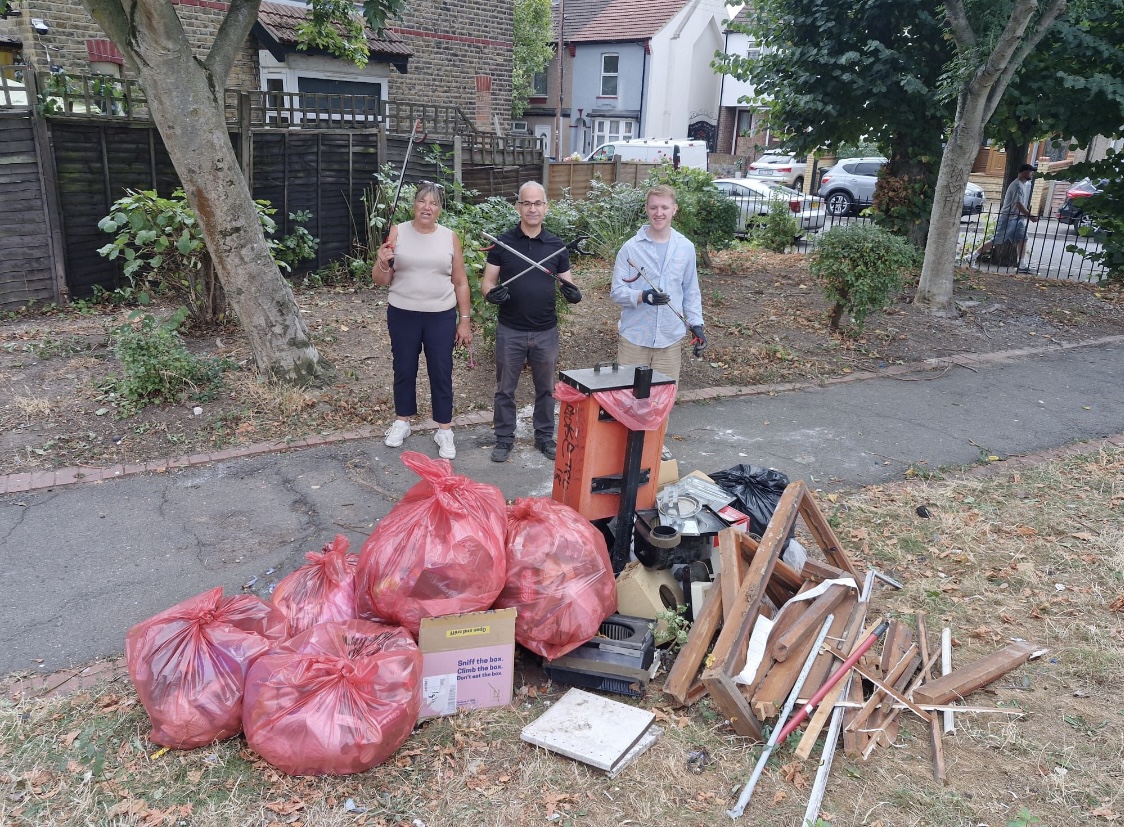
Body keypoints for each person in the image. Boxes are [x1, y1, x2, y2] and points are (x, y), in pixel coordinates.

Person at [480, 181, 582, 463]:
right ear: (519, 207)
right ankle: (503, 438)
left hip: (545, 330)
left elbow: (567, 283)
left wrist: (572, 292)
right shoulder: (503, 243)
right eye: (527, 203)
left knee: (546, 389)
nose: (533, 208)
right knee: (505, 389)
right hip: (510, 329)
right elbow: (487, 283)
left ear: (546, 207)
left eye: (538, 203)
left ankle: (545, 437)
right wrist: (492, 294)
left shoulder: (556, 245)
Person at [372, 182, 473, 460]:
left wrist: (464, 320)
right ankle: (402, 422)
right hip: (402, 312)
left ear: (440, 209)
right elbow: (381, 280)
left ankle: (444, 429)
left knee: (441, 371)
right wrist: (381, 262)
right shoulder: (398, 231)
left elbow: (461, 281)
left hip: (440, 315)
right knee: (404, 368)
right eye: (422, 201)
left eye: (434, 203)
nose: (427, 207)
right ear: (414, 204)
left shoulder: (449, 237)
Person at [610, 184, 705, 383]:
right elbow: (617, 292)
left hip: (669, 342)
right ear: (646, 209)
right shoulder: (630, 249)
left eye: (664, 207)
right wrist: (642, 296)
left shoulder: (685, 248)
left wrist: (697, 325)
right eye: (653, 208)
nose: (659, 213)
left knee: (660, 406)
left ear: (674, 210)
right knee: (628, 404)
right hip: (634, 341)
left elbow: (691, 291)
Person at [969, 163, 1038, 273]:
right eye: (1031, 172)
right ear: (1025, 172)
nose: (1032, 174)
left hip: (1017, 218)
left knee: (1023, 239)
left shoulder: (1022, 185)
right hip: (1008, 218)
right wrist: (1030, 216)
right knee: (996, 240)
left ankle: (1021, 265)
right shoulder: (1017, 186)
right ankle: (971, 257)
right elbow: (1018, 204)